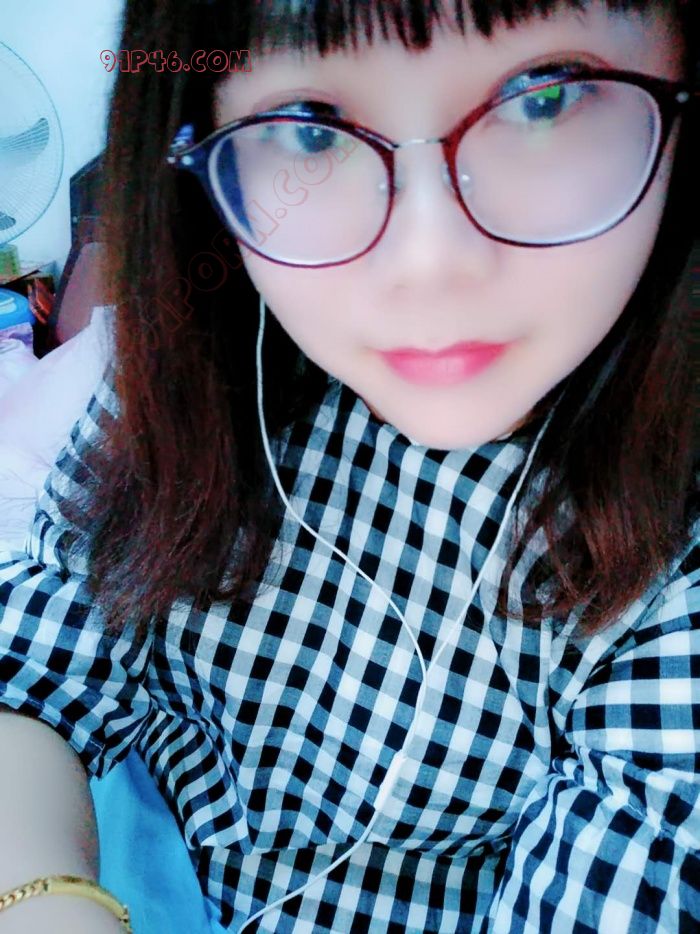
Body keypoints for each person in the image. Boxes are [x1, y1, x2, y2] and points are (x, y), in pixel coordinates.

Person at [0, 0, 698, 931]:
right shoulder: (191, 372)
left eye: (547, 98)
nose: (429, 263)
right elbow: (32, 672)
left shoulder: (674, 567)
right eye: (308, 127)